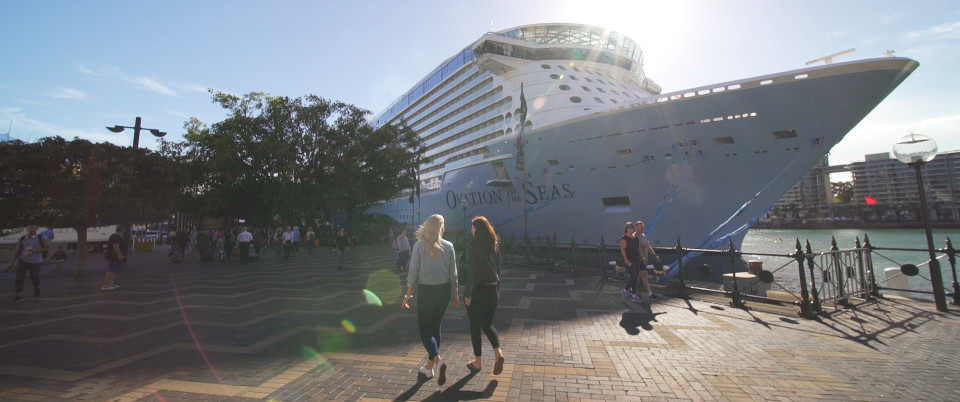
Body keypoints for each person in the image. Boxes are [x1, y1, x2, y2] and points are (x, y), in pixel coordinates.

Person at [401, 214, 459, 385]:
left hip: (426, 291)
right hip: (443, 291)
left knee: (425, 330)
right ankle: (429, 368)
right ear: (440, 227)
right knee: (435, 327)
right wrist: (455, 295)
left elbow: (413, 273)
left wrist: (408, 295)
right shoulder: (449, 246)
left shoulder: (419, 246)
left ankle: (438, 361)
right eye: (443, 225)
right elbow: (453, 274)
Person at [462, 216, 505, 374]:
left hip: (477, 290)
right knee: (487, 324)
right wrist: (498, 290)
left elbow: (471, 272)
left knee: (475, 325)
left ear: (477, 229)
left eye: (472, 227)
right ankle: (498, 352)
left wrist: (467, 294)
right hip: (493, 289)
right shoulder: (494, 244)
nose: (471, 230)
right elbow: (499, 269)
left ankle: (478, 362)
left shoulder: (472, 244)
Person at [6, 224, 50, 302]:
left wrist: (35, 251)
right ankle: (19, 295)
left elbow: (48, 248)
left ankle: (36, 287)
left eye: (33, 228)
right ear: (27, 229)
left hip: (35, 261)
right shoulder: (22, 238)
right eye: (30, 228)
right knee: (19, 277)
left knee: (34, 277)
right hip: (23, 260)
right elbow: (17, 251)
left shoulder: (41, 237)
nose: (31, 229)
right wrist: (12, 264)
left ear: (36, 229)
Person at [635, 221, 661, 300]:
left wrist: (655, 255)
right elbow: (638, 248)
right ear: (636, 227)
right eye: (640, 227)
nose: (642, 228)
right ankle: (650, 294)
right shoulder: (635, 236)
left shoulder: (643, 236)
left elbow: (648, 246)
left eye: (643, 226)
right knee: (645, 277)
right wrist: (643, 257)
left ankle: (631, 290)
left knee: (639, 277)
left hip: (644, 259)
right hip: (638, 259)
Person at [620, 221, 644, 302]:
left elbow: (639, 248)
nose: (630, 229)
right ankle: (629, 292)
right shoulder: (624, 239)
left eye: (631, 227)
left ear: (633, 229)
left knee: (635, 277)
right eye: (628, 227)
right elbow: (622, 250)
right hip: (628, 260)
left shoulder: (636, 239)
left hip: (636, 259)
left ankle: (630, 293)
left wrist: (642, 257)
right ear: (626, 229)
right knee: (633, 276)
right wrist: (626, 259)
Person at [102, 225, 127, 290]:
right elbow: (116, 246)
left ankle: (110, 283)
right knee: (110, 270)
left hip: (114, 256)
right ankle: (106, 284)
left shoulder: (116, 236)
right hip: (113, 256)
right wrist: (119, 254)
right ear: (122, 230)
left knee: (113, 270)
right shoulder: (116, 237)